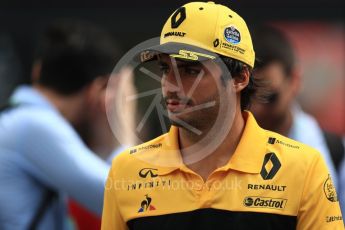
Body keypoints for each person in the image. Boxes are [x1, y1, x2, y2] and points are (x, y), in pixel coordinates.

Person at [101, 2, 343, 230]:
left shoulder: (303, 168)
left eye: (190, 71)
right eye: (165, 68)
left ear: (240, 78)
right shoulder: (127, 170)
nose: (170, 85)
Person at [0, 19, 133, 229]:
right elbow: (129, 199)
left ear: (38, 70)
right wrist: (120, 129)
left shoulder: (19, 120)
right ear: (96, 91)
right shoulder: (35, 125)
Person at [249, 25, 340, 188]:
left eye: (269, 97)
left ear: (295, 80)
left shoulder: (336, 152)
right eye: (246, 97)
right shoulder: (217, 152)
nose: (255, 109)